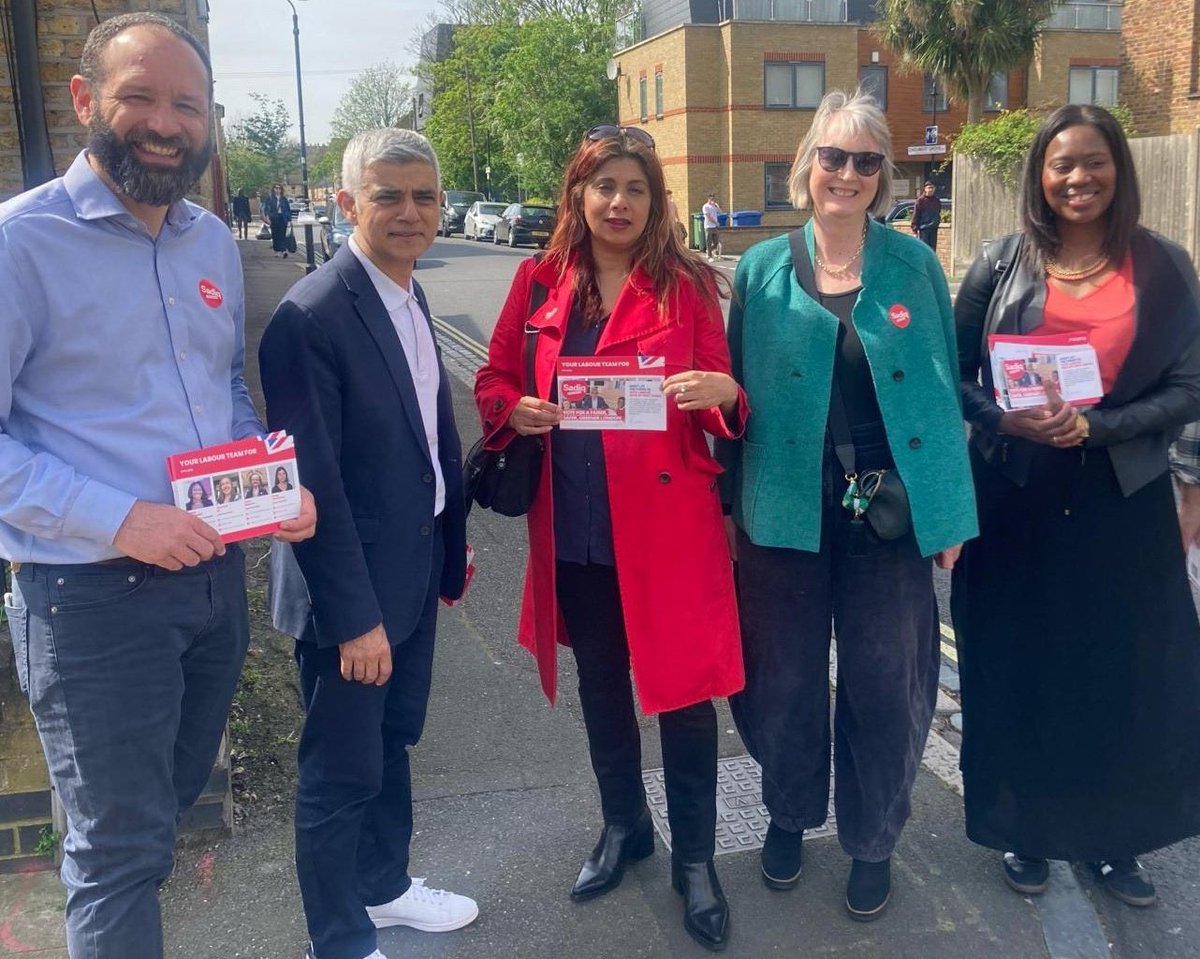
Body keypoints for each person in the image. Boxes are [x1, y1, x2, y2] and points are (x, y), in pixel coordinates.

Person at [0, 14, 316, 959]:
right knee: (113, 853)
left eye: (187, 103)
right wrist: (121, 518)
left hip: (213, 585)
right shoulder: (20, 244)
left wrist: (265, 478)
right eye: (141, 96)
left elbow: (216, 387)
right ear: (86, 100)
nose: (166, 122)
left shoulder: (209, 242)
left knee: (165, 812)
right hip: (90, 599)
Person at [474, 124, 748, 952]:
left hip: (668, 531)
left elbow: (732, 407)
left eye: (634, 187)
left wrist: (722, 388)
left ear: (654, 200)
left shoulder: (688, 285)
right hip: (579, 531)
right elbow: (493, 380)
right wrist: (510, 408)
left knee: (685, 697)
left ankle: (695, 861)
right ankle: (624, 825)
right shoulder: (539, 281)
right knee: (602, 686)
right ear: (579, 197)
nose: (618, 202)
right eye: (604, 187)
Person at [716, 89, 977, 921]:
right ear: (807, 167)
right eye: (834, 156)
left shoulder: (914, 266)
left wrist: (950, 517)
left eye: (867, 161)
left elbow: (944, 394)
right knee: (782, 680)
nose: (849, 173)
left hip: (888, 515)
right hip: (782, 514)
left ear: (883, 177)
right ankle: (790, 813)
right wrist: (726, 509)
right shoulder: (758, 269)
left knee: (884, 683)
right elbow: (731, 401)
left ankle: (872, 838)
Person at [951, 103, 1200, 907]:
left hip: (1121, 499)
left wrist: (1100, 427)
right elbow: (947, 374)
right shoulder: (998, 264)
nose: (1077, 177)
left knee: (1120, 671)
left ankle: (1114, 839)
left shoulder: (1163, 266)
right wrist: (998, 416)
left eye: (1093, 162)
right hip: (1014, 496)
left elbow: (1189, 388)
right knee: (1018, 665)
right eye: (1061, 164)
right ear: (1040, 176)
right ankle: (1026, 826)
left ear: (1119, 170)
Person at [260, 128, 477, 959]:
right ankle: (339, 939)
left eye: (424, 195)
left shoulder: (408, 293)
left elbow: (418, 440)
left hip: (410, 571)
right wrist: (354, 618)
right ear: (345, 203)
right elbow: (314, 486)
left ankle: (383, 887)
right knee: (339, 770)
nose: (410, 212)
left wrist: (443, 552)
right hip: (348, 594)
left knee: (391, 743)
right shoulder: (309, 316)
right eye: (388, 195)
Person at [263, 183, 292, 257]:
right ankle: (277, 251)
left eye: (279, 188)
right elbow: (266, 209)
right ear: (273, 189)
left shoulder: (284, 199)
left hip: (282, 217)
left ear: (281, 190)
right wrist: (267, 218)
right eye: (276, 188)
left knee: (282, 234)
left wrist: (289, 219)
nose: (278, 190)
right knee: (275, 235)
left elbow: (288, 209)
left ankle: (283, 250)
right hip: (274, 218)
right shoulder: (270, 198)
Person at [911, 181, 941, 251]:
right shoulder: (920, 200)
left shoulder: (936, 200)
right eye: (929, 188)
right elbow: (916, 214)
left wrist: (937, 222)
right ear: (925, 189)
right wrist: (914, 230)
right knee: (924, 249)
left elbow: (938, 212)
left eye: (932, 188)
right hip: (924, 229)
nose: (931, 190)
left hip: (933, 228)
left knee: (932, 250)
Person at [701, 192, 722, 261]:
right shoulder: (705, 206)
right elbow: (708, 217)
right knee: (709, 242)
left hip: (714, 227)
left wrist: (716, 206)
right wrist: (716, 222)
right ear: (708, 198)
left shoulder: (715, 205)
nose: (712, 199)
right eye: (710, 198)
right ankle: (710, 256)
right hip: (708, 226)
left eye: (713, 198)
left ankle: (709, 251)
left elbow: (720, 212)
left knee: (716, 242)